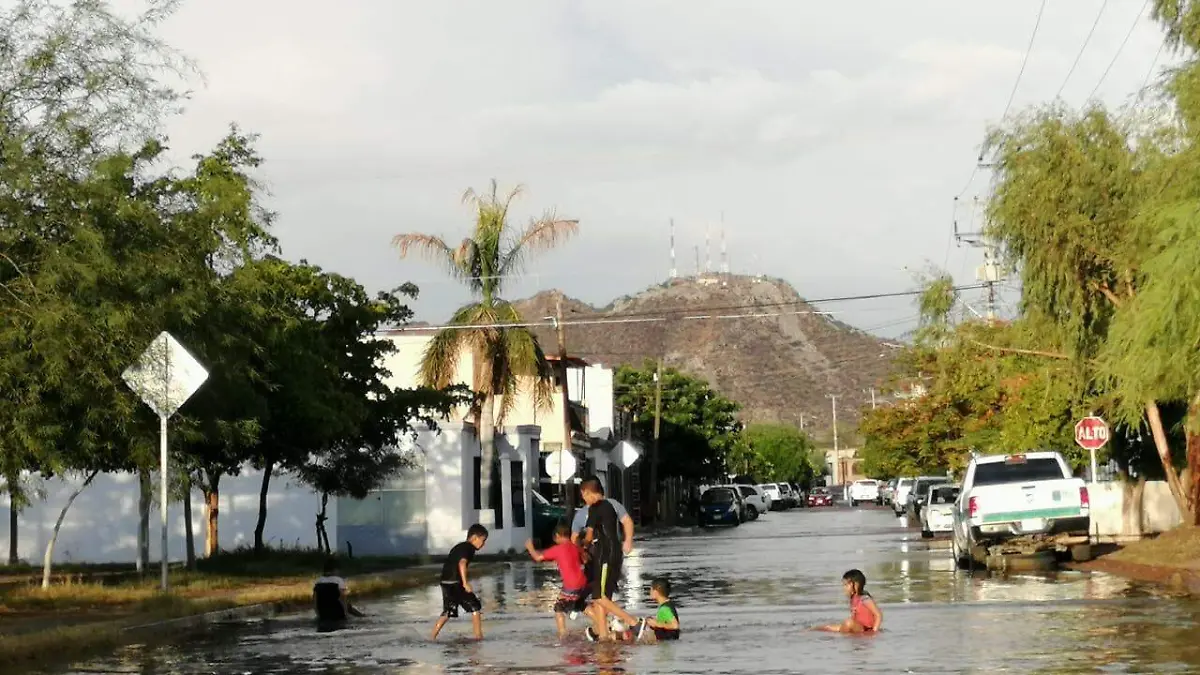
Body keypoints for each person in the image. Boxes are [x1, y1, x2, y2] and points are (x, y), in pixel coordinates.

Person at [579, 478, 647, 642]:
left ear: (588, 492)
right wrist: (628, 540)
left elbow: (588, 535)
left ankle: (634, 622)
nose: (584, 500)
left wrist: (581, 546)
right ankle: (603, 636)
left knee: (599, 597)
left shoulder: (594, 509)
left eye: (583, 496)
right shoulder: (611, 505)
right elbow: (627, 521)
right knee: (604, 598)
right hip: (615, 553)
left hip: (604, 555)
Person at [525, 523, 588, 638]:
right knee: (580, 605)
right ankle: (600, 622)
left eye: (555, 539)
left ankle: (562, 634)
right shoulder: (575, 547)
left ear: (558, 536)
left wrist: (530, 548)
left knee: (559, 607)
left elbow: (538, 558)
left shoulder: (558, 549)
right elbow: (584, 559)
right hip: (582, 582)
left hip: (571, 584)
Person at [432, 523, 488, 640]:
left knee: (448, 611)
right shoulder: (469, 548)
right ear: (474, 538)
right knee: (475, 607)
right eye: (482, 540)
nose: (483, 544)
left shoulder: (460, 546)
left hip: (445, 581)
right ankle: (478, 636)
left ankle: (432, 637)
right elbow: (462, 563)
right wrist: (465, 583)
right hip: (455, 582)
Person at [816, 569, 882, 633]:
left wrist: (874, 632)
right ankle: (808, 630)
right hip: (856, 626)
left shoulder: (865, 599)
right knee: (827, 627)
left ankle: (843, 638)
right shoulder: (853, 598)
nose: (844, 588)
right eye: (843, 585)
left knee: (848, 622)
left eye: (846, 585)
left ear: (856, 585)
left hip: (865, 629)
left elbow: (878, 615)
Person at [312, 558, 365, 629]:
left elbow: (315, 600)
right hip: (337, 611)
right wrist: (346, 614)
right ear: (335, 569)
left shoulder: (318, 581)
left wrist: (318, 614)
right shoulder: (338, 580)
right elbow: (342, 598)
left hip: (323, 612)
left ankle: (361, 615)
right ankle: (363, 617)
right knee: (349, 608)